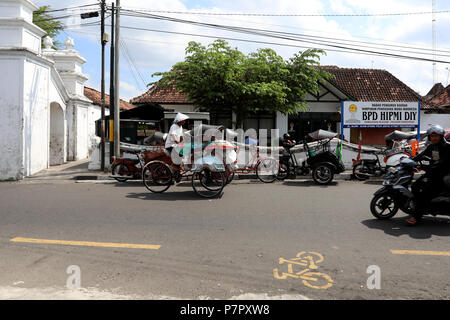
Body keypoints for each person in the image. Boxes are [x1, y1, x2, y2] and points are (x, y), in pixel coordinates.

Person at [405, 125, 450, 225]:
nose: (434, 138)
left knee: (423, 193)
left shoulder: (447, 147)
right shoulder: (431, 146)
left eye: (436, 136)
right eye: (432, 136)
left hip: (441, 177)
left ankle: (416, 216)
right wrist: (410, 160)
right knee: (414, 186)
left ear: (441, 136)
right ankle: (420, 207)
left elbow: (442, 162)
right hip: (431, 174)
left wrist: (428, 166)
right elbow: (421, 155)